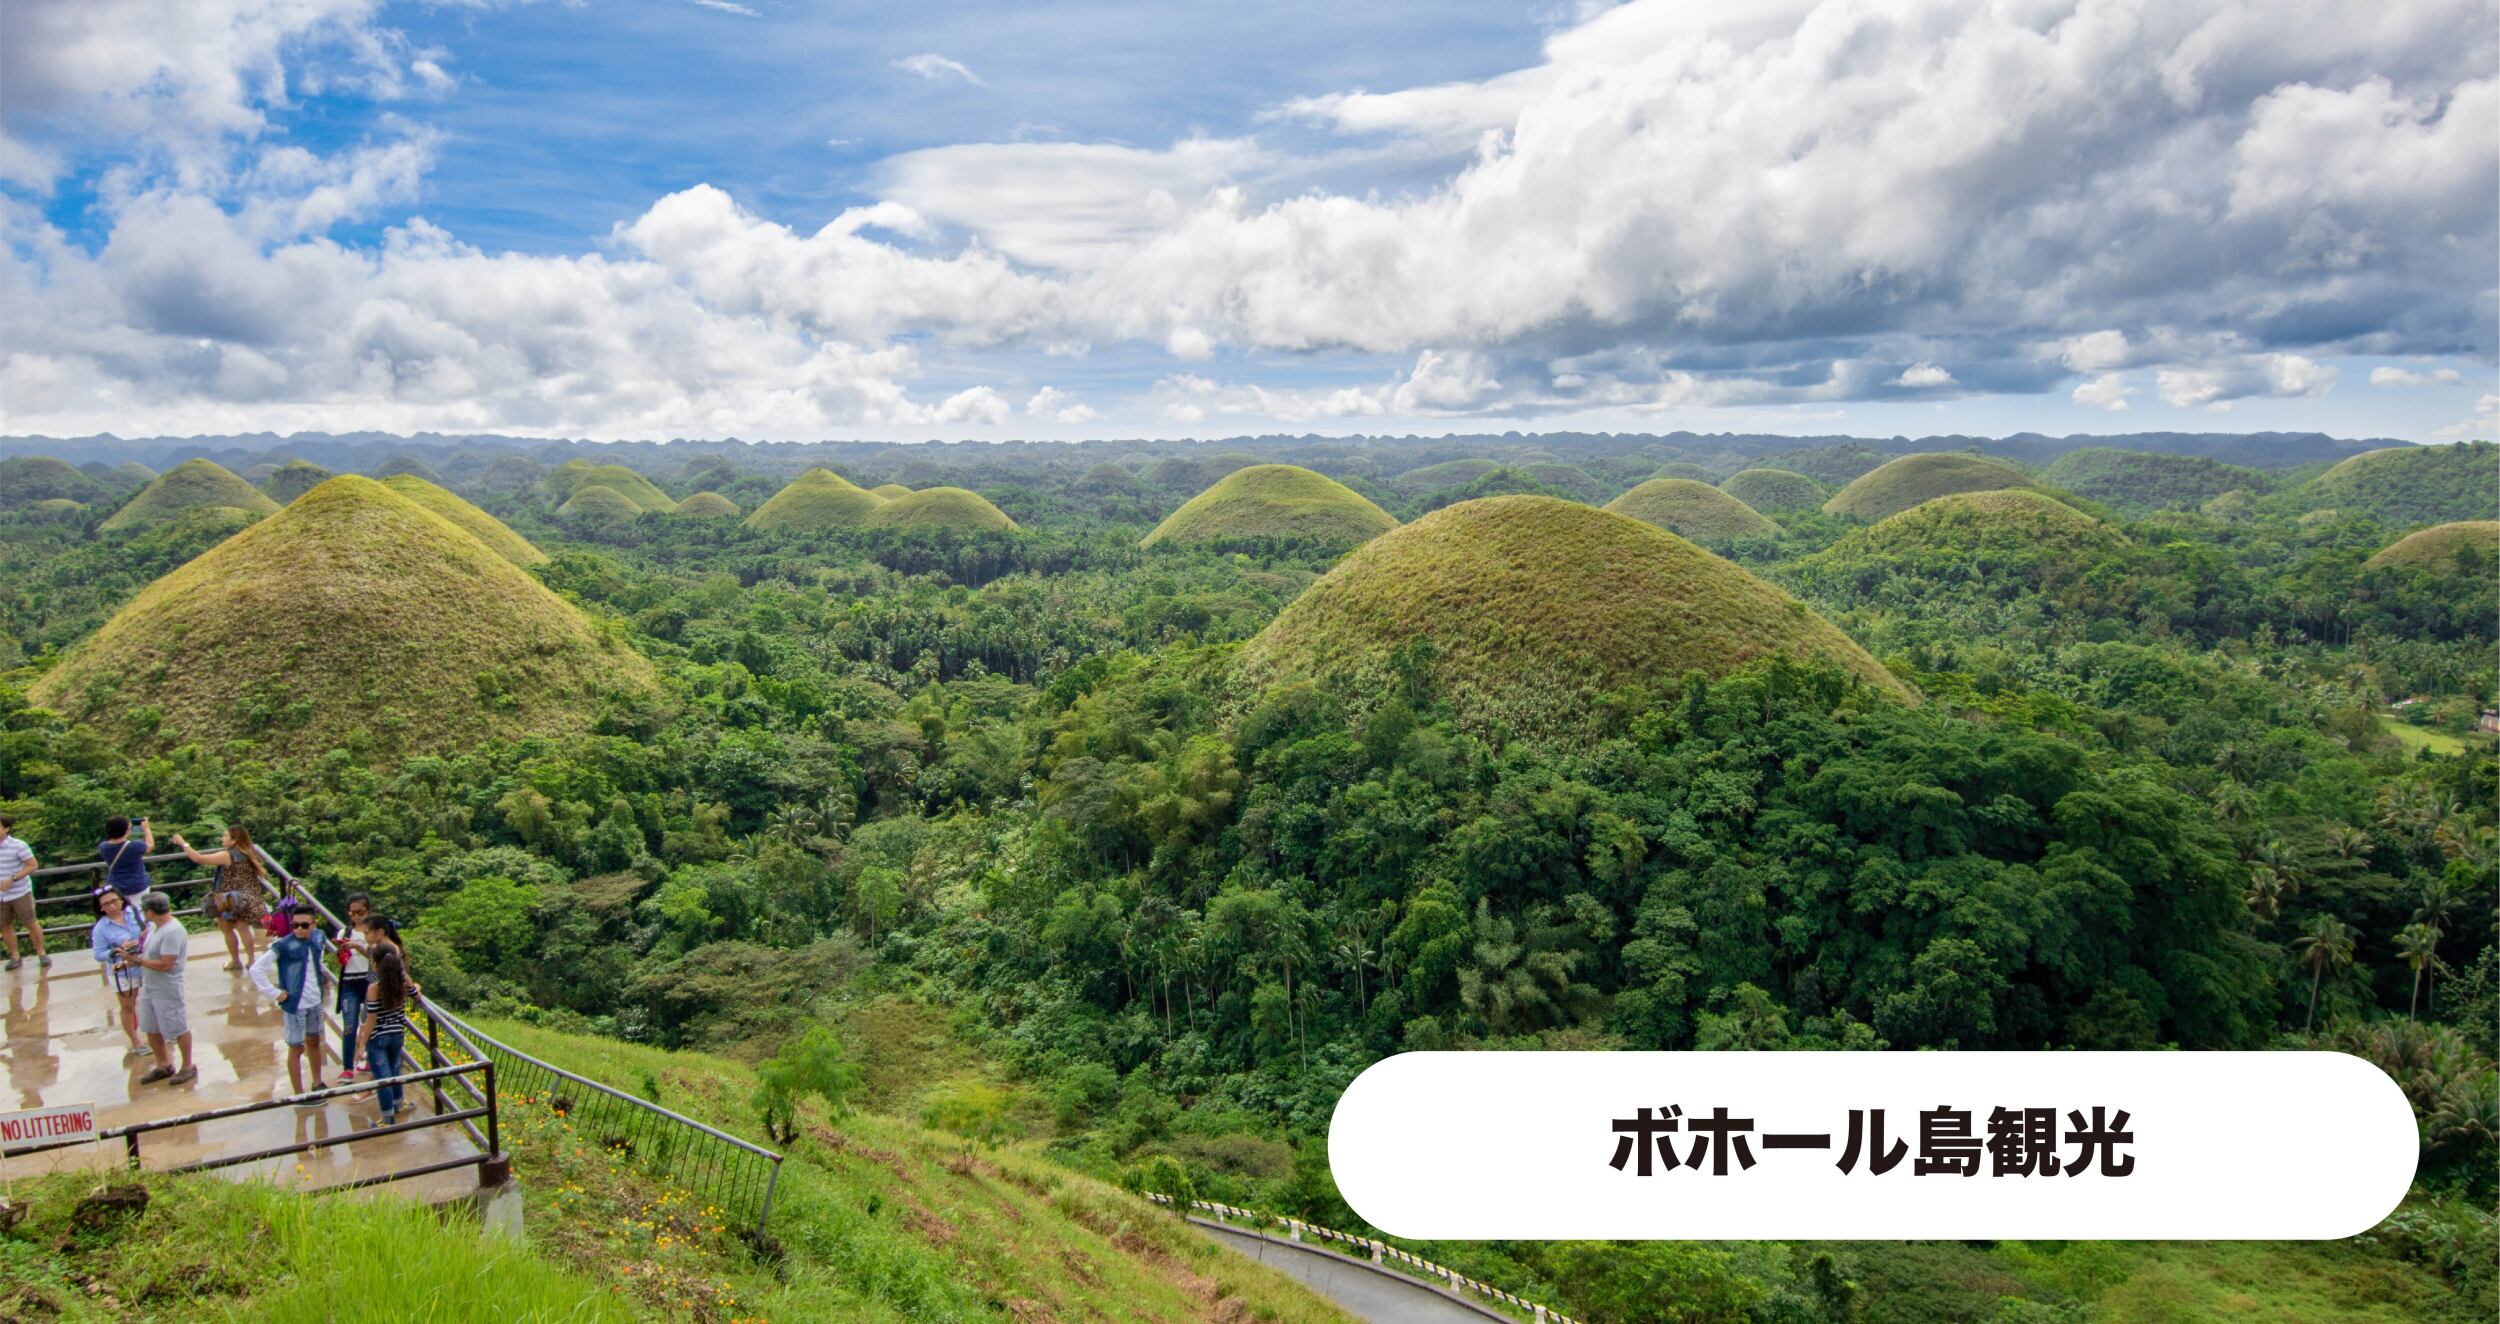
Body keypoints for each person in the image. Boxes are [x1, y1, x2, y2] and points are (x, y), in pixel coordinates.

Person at [250, 907, 332, 1103]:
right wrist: (275, 993)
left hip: (315, 1001)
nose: (299, 929)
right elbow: (256, 969)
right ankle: (299, 1094)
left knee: (314, 1041)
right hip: (295, 1004)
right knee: (296, 1047)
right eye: (295, 925)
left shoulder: (318, 937)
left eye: (304, 925)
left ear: (314, 925)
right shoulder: (283, 945)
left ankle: (317, 1082)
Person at [174, 825, 266, 971]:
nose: (222, 838)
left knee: (227, 928)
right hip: (246, 894)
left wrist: (183, 843)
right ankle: (251, 960)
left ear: (234, 840)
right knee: (243, 928)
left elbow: (198, 858)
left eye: (225, 836)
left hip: (228, 897)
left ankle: (235, 960)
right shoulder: (248, 852)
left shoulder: (226, 855)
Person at [130, 893, 196, 1085]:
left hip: (167, 987)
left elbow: (167, 964)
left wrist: (138, 961)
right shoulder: (154, 928)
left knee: (178, 1027)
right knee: (151, 1027)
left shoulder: (172, 931)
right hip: (150, 986)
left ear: (150, 912)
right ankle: (163, 1065)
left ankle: (188, 1066)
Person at [355, 929, 412, 1127]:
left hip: (378, 1038)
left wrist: (362, 1043)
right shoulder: (402, 983)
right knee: (395, 1071)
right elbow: (415, 993)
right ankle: (398, 1104)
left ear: (374, 964)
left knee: (383, 1079)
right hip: (397, 1034)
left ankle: (387, 1119)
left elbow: (371, 1018)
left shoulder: (374, 988)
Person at [88, 888, 149, 1058]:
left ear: (121, 899)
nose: (112, 906)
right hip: (123, 970)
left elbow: (151, 926)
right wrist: (117, 950)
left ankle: (160, 1033)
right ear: (101, 908)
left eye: (114, 901)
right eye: (106, 904)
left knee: (153, 1000)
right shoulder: (101, 928)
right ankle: (135, 1041)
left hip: (145, 963)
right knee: (128, 1006)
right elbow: (98, 954)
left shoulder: (135, 912)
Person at [333, 894, 373, 1081]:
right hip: (350, 981)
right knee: (349, 1025)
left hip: (370, 980)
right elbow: (341, 962)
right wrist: (342, 950)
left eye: (360, 912)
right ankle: (348, 1067)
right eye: (352, 913)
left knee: (372, 1022)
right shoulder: (344, 932)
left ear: (368, 911)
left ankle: (370, 1059)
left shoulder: (372, 932)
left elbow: (376, 956)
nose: (356, 916)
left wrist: (357, 946)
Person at [0, 815, 47, 972]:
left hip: (20, 891)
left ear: (6, 828)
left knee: (30, 922)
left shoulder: (18, 845)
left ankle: (41, 953)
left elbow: (32, 865)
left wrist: (13, 878)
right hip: (1, 895)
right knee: (4, 925)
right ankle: (15, 956)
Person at [97, 815, 154, 909]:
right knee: (140, 912)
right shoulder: (135, 846)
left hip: (116, 887)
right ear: (126, 830)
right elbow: (150, 846)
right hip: (137, 885)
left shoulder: (103, 847)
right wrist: (146, 829)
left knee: (122, 913)